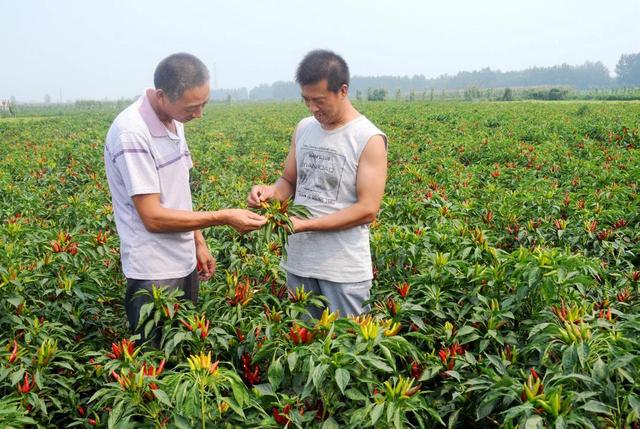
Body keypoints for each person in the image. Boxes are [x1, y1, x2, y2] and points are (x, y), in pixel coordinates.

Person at [104, 53, 266, 341]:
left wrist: (198, 242)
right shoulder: (131, 133)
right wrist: (224, 217)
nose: (199, 114)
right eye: (193, 106)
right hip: (153, 269)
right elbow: (152, 217)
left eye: (204, 103)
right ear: (163, 96)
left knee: (184, 343)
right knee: (153, 357)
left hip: (183, 260)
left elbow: (180, 191)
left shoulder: (174, 121)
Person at [247, 50, 387, 318]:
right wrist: (269, 193)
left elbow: (367, 209)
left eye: (319, 100)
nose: (312, 108)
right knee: (304, 348)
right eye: (306, 100)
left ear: (342, 91)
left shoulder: (367, 138)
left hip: (343, 271)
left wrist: (304, 225)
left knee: (347, 351)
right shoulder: (304, 128)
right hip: (299, 264)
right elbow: (289, 180)